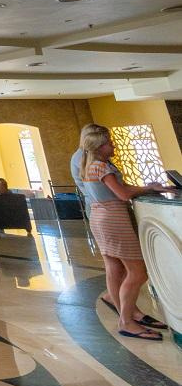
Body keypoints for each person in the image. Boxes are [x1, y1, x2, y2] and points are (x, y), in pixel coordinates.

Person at [73, 123, 172, 340]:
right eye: (109, 143)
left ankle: (127, 317)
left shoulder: (89, 165)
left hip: (101, 217)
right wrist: (149, 187)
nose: (113, 146)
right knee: (138, 272)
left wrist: (146, 188)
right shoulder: (100, 166)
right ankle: (126, 321)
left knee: (115, 267)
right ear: (99, 146)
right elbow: (123, 194)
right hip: (113, 219)